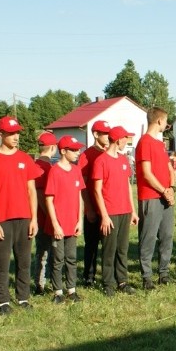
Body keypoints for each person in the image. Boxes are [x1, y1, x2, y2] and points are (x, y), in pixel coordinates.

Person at [0, 116, 43, 315]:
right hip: (2, 220)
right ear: (1, 134)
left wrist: (34, 219)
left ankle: (23, 298)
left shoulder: (25, 158)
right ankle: (2, 301)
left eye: (17, 133)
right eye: (11, 133)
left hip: (24, 218)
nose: (16, 137)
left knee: (24, 262)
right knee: (2, 263)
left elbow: (32, 191)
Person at [92, 126, 138, 296]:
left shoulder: (123, 159)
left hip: (125, 210)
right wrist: (104, 215)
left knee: (122, 248)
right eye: (126, 138)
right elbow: (97, 190)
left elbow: (128, 186)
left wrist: (133, 211)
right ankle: (108, 283)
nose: (127, 141)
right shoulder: (101, 160)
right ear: (118, 139)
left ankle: (122, 280)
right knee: (109, 248)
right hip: (110, 212)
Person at [136, 107, 176, 290]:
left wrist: (172, 189)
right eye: (165, 121)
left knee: (167, 236)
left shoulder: (160, 144)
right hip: (151, 196)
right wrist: (163, 190)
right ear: (159, 121)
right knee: (148, 237)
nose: (166, 125)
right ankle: (146, 277)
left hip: (165, 196)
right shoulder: (145, 142)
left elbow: (169, 169)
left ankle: (164, 273)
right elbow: (146, 173)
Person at [44, 136, 85, 304]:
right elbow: (49, 199)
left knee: (71, 257)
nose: (77, 152)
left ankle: (71, 289)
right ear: (63, 151)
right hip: (58, 225)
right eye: (74, 150)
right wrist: (55, 224)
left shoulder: (76, 170)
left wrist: (79, 220)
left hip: (72, 223)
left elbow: (79, 196)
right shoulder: (54, 171)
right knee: (57, 259)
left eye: (78, 149)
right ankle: (58, 291)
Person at [78, 120, 111, 287]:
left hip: (109, 207)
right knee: (91, 245)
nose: (108, 135)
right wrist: (89, 208)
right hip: (93, 207)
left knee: (108, 244)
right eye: (105, 133)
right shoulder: (87, 155)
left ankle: (107, 275)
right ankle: (89, 277)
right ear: (96, 134)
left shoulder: (109, 154)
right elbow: (82, 185)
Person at [32, 132, 57, 296]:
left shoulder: (33, 164)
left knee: (43, 251)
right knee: (48, 252)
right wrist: (50, 215)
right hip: (44, 217)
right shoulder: (45, 168)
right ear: (53, 148)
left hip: (38, 216)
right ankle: (41, 284)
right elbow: (40, 194)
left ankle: (43, 282)